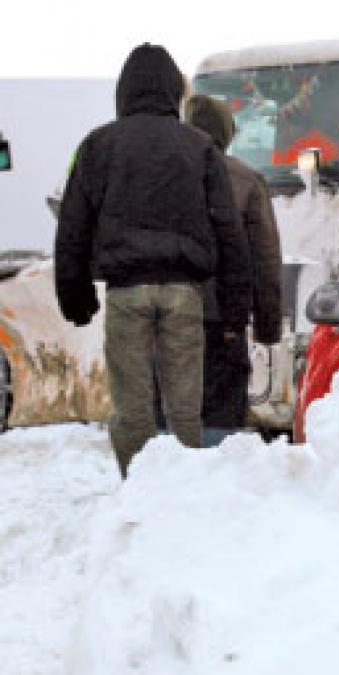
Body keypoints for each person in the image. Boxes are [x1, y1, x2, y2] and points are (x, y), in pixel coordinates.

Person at [55, 44, 251, 478]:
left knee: (133, 408)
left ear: (124, 91)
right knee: (185, 407)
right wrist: (237, 306)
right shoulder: (199, 147)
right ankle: (179, 495)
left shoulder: (98, 145)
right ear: (171, 93)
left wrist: (76, 297)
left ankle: (139, 489)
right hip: (185, 293)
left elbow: (73, 227)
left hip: (126, 293)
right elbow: (228, 231)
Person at [183, 94, 284, 445]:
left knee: (167, 411)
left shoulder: (163, 176)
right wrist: (269, 326)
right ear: (227, 133)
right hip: (222, 320)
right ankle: (215, 484)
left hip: (165, 317)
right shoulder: (246, 180)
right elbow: (265, 259)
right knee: (221, 415)